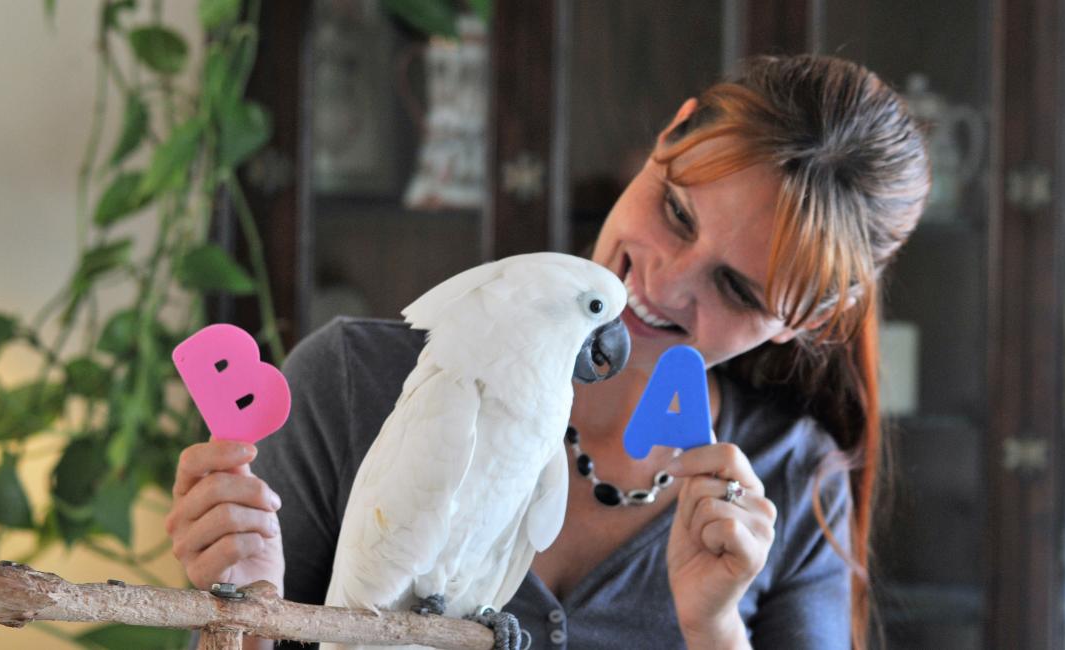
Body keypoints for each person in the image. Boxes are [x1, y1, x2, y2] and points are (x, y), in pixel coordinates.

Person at [165, 54, 929, 649]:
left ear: (810, 316)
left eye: (736, 288)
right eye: (675, 210)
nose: (661, 282)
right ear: (671, 133)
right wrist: (246, 613)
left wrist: (714, 627)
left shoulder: (795, 480)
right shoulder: (350, 382)